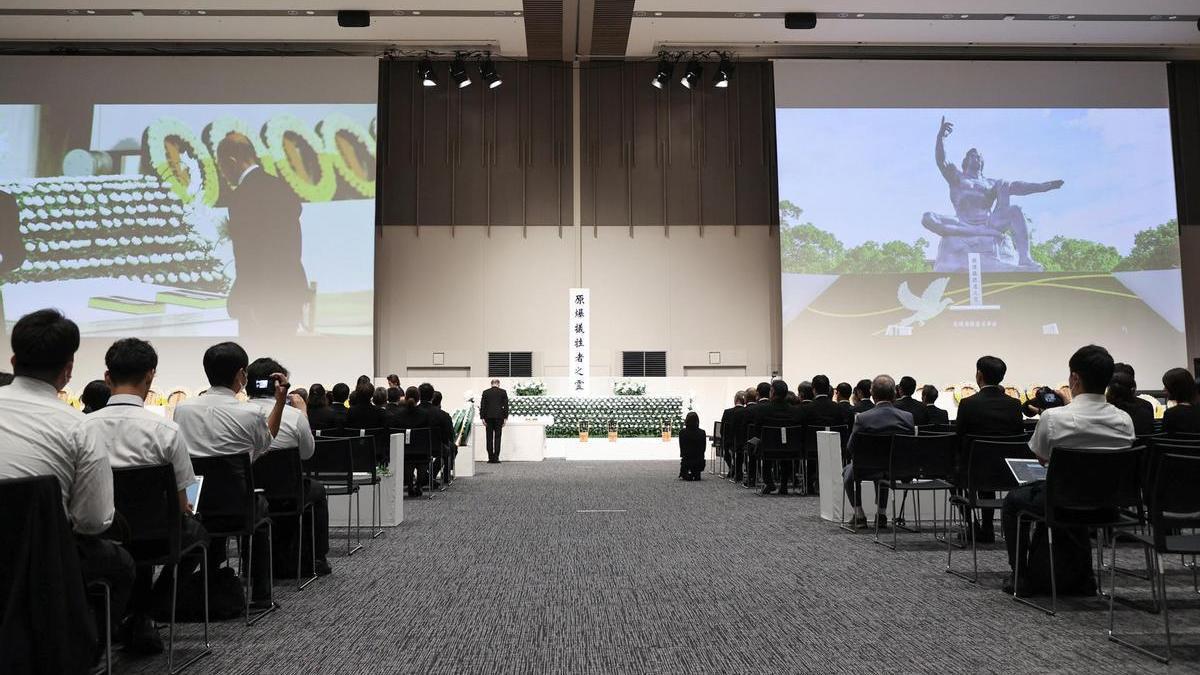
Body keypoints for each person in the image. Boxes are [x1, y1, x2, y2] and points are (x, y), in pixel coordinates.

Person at [0, 309, 134, 654]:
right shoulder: (79, 427)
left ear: (13, 360)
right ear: (69, 369)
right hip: (43, 562)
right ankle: (81, 649)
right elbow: (93, 521)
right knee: (121, 564)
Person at [77, 337, 208, 654]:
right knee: (199, 535)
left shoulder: (80, 428)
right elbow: (181, 504)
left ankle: (130, 615)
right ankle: (145, 612)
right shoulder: (166, 430)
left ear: (108, 378)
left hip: (101, 535)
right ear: (151, 376)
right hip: (158, 535)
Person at [1001, 345, 1134, 595]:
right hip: (1107, 506)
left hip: (1060, 501)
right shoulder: (1124, 420)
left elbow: (1041, 458)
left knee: (1013, 502)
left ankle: (1020, 576)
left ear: (1074, 378)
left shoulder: (1053, 418)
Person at [173, 342, 287, 609]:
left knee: (212, 513)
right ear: (241, 375)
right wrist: (280, 402)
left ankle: (206, 577)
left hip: (194, 501)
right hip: (236, 503)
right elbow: (265, 443)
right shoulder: (250, 413)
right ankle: (261, 594)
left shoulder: (183, 409)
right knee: (260, 511)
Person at [243, 358, 331, 577]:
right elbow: (308, 453)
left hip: (245, 495)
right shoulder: (294, 417)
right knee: (318, 490)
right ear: (279, 384)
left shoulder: (236, 415)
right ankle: (317, 558)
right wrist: (303, 413)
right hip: (287, 494)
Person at [215, 133, 308, 336]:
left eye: (221, 167)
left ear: (231, 161)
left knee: (258, 360)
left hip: (262, 300)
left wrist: (246, 299)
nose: (223, 173)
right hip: (291, 288)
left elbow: (248, 256)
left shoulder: (241, 196)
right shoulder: (281, 186)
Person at [954, 355, 1023, 543]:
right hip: (1008, 471)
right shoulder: (1015, 405)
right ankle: (987, 526)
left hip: (974, 470)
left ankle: (973, 525)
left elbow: (959, 437)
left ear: (979, 375)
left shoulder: (968, 404)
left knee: (956, 476)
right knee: (987, 468)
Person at [843, 375, 914, 528]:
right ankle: (881, 514)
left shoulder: (862, 418)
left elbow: (850, 448)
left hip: (866, 468)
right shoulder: (908, 418)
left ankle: (860, 515)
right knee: (883, 471)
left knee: (848, 473)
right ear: (894, 394)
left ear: (872, 394)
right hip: (896, 469)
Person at [757, 380, 804, 495]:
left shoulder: (762, 409)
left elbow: (757, 428)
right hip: (790, 449)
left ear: (772, 392)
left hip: (768, 449)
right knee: (785, 455)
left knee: (759, 447)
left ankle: (769, 483)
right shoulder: (795, 411)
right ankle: (783, 485)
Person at [390, 386, 432, 497]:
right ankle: (418, 485)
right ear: (418, 398)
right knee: (422, 460)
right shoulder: (425, 415)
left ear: (405, 397)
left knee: (407, 460)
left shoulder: (398, 415)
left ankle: (409, 485)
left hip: (405, 452)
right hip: (422, 452)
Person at [417, 384, 454, 488]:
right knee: (448, 448)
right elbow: (449, 435)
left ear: (419, 395)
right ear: (432, 396)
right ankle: (430, 476)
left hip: (415, 448)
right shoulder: (442, 414)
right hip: (436, 447)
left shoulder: (411, 412)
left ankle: (426, 476)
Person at [742, 382, 771, 487]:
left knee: (752, 444)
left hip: (758, 442)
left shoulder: (755, 409)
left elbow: (752, 428)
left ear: (758, 393)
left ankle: (752, 477)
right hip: (777, 442)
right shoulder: (773, 407)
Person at [1107, 372, 1154, 436]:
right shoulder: (1146, 409)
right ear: (1133, 390)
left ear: (1109, 391)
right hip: (1142, 445)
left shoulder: (1106, 413)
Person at [479, 379, 509, 463]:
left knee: (489, 438)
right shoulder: (503, 392)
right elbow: (506, 406)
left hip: (488, 417)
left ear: (491, 384)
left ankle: (490, 458)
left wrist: (482, 418)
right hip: (499, 417)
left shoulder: (485, 392)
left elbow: (483, 406)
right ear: (498, 384)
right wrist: (505, 417)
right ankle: (496, 457)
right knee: (497, 437)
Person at [718, 391, 746, 477]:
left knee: (726, 449)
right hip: (743, 441)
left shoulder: (727, 412)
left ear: (736, 399)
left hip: (729, 441)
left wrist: (725, 438)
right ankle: (738, 469)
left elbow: (722, 430)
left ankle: (732, 467)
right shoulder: (747, 411)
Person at [430, 391, 455, 484]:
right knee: (450, 448)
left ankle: (431, 473)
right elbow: (450, 434)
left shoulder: (418, 413)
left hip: (418, 446)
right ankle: (445, 474)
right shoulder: (444, 415)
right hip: (438, 446)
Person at [678, 412, 706, 481]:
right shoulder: (702, 432)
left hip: (687, 460)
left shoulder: (682, 432)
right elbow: (703, 448)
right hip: (698, 461)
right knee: (696, 475)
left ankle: (686, 472)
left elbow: (682, 448)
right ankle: (695, 472)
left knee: (686, 473)